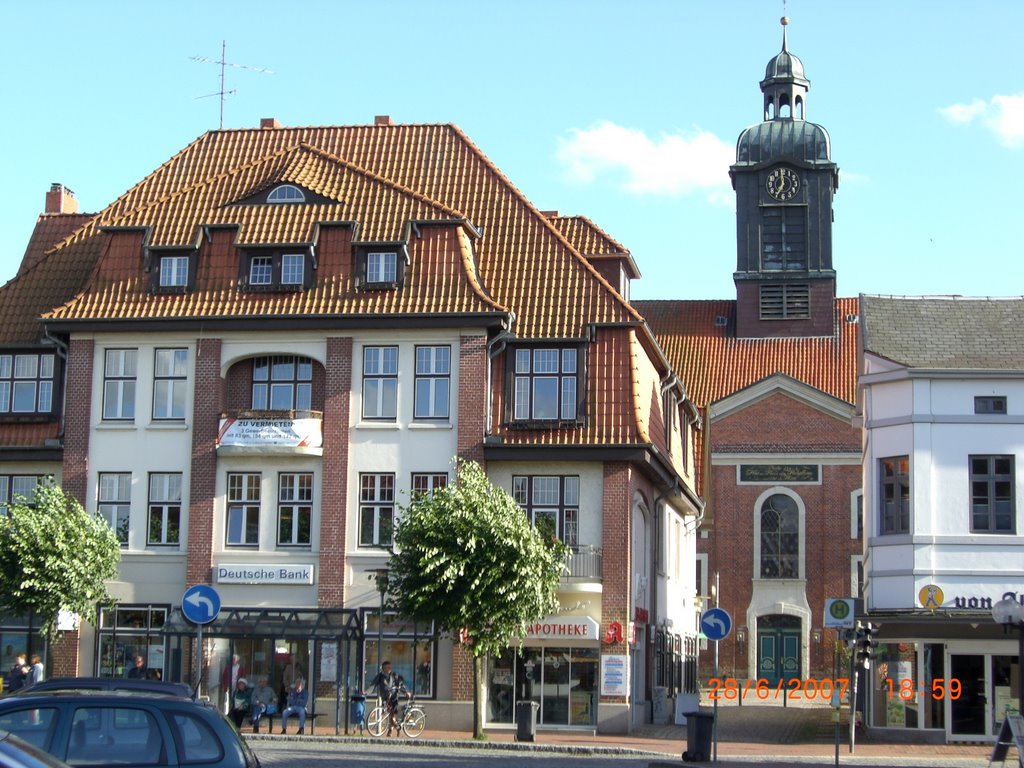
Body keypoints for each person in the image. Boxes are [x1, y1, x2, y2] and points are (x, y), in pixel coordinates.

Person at [371, 661, 409, 734]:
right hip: (385, 698)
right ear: (383, 669)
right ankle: (394, 727)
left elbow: (400, 684)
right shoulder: (380, 676)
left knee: (392, 714)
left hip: (394, 697)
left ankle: (391, 730)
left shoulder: (394, 675)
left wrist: (405, 692)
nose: (390, 669)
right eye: (388, 667)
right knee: (389, 714)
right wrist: (366, 692)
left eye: (390, 667)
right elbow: (373, 685)